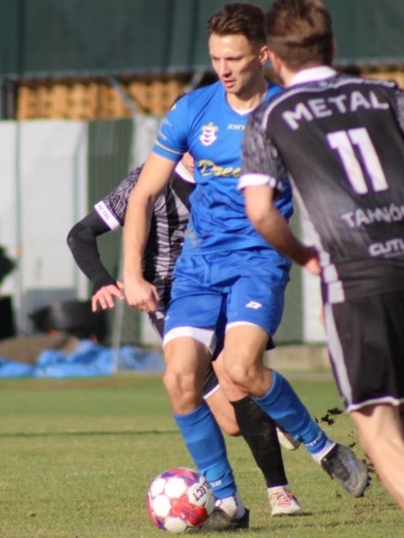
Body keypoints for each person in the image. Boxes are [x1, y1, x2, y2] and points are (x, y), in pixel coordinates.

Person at [240, 0, 404, 538]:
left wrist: (306, 257)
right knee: (401, 414)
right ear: (333, 46)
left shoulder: (270, 115)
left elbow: (261, 213)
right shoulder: (384, 93)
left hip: (359, 275)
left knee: (376, 431)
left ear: (274, 58)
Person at [123, 2, 370, 531]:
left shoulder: (288, 113)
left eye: (233, 58)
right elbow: (143, 194)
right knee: (179, 379)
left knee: (240, 369)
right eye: (215, 58)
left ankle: (322, 449)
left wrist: (334, 271)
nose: (223, 69)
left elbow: (326, 195)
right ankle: (229, 505)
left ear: (263, 55)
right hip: (198, 265)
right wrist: (131, 273)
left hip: (258, 260)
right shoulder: (192, 110)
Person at [65, 152, 304, 518]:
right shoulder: (146, 182)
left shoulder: (227, 177)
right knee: (232, 422)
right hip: (171, 300)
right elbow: (80, 234)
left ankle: (279, 492)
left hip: (224, 287)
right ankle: (275, 418)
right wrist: (101, 280)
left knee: (237, 378)